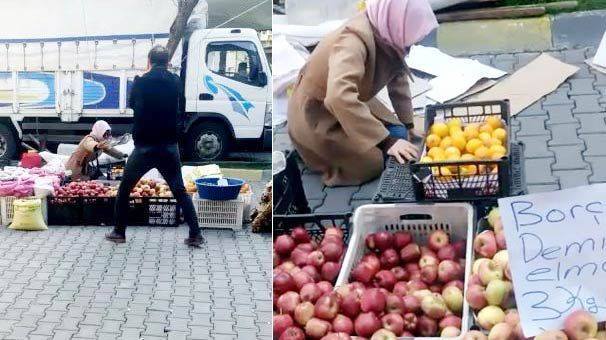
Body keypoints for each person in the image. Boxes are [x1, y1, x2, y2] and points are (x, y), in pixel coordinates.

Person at [287, 0, 438, 186]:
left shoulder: (384, 28)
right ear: (398, 23)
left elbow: (397, 76)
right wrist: (387, 142)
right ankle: (314, 154)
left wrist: (408, 124)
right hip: (316, 113)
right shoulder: (352, 41)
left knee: (399, 133)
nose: (410, 46)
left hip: (344, 103)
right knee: (373, 162)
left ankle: (373, 140)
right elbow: (338, 96)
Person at [105, 45, 202, 246]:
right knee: (179, 190)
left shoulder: (141, 82)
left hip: (144, 147)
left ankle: (119, 232)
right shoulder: (176, 82)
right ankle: (195, 234)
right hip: (168, 146)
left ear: (149, 61)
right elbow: (181, 108)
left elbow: (133, 104)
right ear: (167, 62)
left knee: (125, 189)